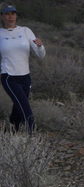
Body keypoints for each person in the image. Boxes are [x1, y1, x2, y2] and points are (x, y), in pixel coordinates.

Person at [0, 4, 45, 134]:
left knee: (18, 108)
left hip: (25, 77)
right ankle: (32, 138)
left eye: (13, 13)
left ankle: (11, 133)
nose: (10, 17)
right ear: (2, 16)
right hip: (8, 77)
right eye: (7, 14)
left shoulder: (25, 31)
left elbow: (40, 55)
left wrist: (40, 46)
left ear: (16, 16)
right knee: (26, 109)